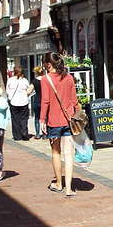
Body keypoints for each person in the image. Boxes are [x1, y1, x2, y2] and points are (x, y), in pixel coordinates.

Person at [40, 52, 80, 198]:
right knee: (69, 154)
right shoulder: (68, 77)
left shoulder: (46, 79)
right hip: (69, 120)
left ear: (48, 64)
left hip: (53, 121)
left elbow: (45, 101)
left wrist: (42, 119)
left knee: (56, 152)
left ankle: (58, 183)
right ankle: (69, 188)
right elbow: (74, 100)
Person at [6, 66, 31, 141]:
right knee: (24, 118)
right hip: (23, 101)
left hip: (14, 101)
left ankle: (17, 136)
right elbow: (28, 91)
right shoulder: (25, 81)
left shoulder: (10, 80)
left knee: (15, 119)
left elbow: (7, 91)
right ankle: (24, 132)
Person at [26, 66, 44, 139]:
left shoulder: (34, 81)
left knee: (37, 117)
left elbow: (29, 92)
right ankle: (45, 134)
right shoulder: (45, 80)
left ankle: (37, 134)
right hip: (44, 101)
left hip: (37, 100)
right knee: (45, 118)